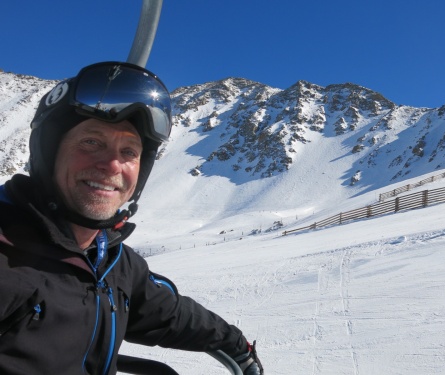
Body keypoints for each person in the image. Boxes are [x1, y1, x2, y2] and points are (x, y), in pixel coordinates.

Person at [0, 62, 264, 375]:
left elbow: (171, 312)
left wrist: (237, 346)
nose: (112, 165)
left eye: (129, 151)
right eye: (92, 142)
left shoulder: (112, 260)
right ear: (49, 152)